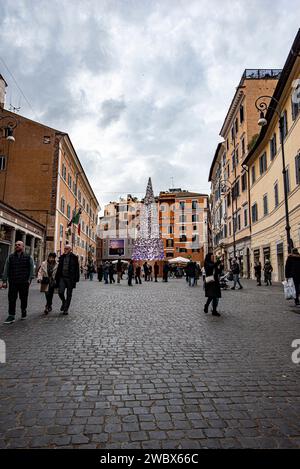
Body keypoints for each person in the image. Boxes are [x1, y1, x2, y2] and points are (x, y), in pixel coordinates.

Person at [1, 241, 35, 324]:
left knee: (23, 298)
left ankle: (23, 310)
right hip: (13, 281)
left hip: (24, 281)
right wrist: (4, 280)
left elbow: (31, 269)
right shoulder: (10, 257)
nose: (17, 246)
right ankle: (11, 315)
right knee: (11, 298)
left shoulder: (28, 257)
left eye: (19, 245)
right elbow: (6, 269)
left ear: (23, 247)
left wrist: (30, 279)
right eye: (16, 245)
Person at [55, 244, 80, 315]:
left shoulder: (74, 257)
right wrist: (57, 277)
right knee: (60, 292)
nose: (65, 250)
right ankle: (64, 301)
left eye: (67, 249)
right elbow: (59, 268)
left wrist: (76, 279)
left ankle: (66, 309)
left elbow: (77, 269)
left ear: (70, 250)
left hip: (70, 278)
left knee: (69, 294)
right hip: (62, 277)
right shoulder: (61, 257)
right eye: (64, 248)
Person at [204, 253, 221, 317]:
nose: (213, 257)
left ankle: (214, 310)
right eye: (212, 256)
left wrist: (221, 267)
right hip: (210, 281)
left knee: (215, 296)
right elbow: (210, 267)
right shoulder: (207, 263)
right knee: (211, 295)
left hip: (215, 281)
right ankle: (207, 305)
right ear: (209, 257)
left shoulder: (213, 263)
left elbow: (218, 271)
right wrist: (217, 263)